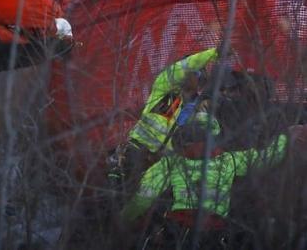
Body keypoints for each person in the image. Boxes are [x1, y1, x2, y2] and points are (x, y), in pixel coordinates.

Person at [121, 111, 300, 250]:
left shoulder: (171, 163)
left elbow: (142, 199)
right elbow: (268, 158)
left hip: (176, 233)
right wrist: (286, 136)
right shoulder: (229, 160)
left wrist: (120, 221)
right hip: (214, 236)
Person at [111, 48, 219, 189]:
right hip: (137, 150)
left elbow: (211, 130)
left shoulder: (194, 105)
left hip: (160, 163)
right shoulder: (163, 87)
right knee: (120, 188)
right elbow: (182, 68)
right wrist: (214, 53)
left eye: (197, 76)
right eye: (193, 73)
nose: (193, 79)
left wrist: (205, 118)